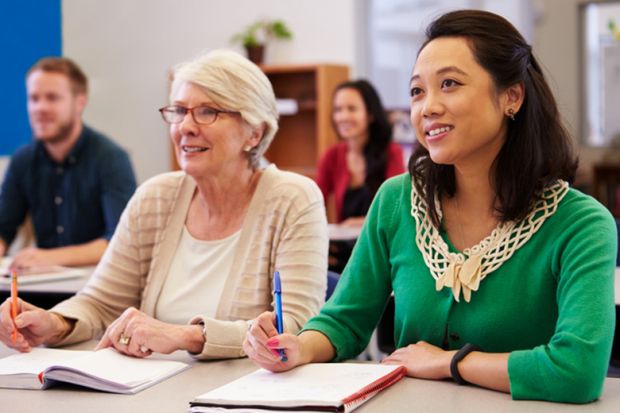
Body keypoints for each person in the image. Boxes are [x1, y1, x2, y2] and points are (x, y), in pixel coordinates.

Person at [244, 10, 617, 404]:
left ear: (512, 96)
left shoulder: (581, 224)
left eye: (450, 84)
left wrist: (449, 362)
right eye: (417, 91)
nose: (428, 108)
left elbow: (577, 369)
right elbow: (343, 321)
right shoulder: (397, 200)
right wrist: (298, 348)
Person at [0, 50, 328, 360]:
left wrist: (186, 336)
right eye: (179, 110)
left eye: (207, 112)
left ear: (254, 133)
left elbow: (293, 327)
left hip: (245, 393)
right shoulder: (155, 197)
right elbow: (101, 303)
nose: (185, 126)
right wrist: (54, 323)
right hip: (152, 389)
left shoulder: (293, 199)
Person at [0, 57, 137, 269]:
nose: (40, 108)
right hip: (40, 285)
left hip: (96, 287)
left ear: (80, 102)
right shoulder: (23, 160)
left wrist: (50, 257)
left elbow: (120, 242)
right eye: (34, 98)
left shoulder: (111, 159)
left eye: (52, 98)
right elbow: (3, 228)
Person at [316, 79, 405, 226]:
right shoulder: (331, 156)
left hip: (381, 243)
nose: (343, 117)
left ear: (370, 114)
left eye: (351, 109)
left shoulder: (392, 153)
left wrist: (362, 223)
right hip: (344, 246)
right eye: (338, 110)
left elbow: (397, 208)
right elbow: (315, 203)